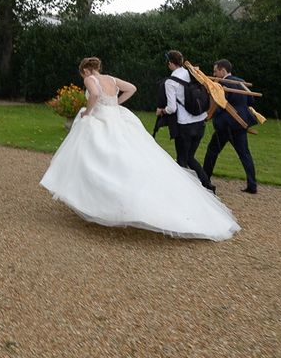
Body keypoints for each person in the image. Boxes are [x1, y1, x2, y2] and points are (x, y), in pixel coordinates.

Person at [40, 57, 240, 241]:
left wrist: (88, 112)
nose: (83, 75)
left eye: (83, 72)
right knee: (129, 156)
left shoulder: (90, 79)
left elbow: (93, 94)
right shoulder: (111, 78)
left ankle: (96, 198)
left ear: (86, 69)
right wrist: (115, 103)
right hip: (116, 116)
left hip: (101, 118)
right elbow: (132, 88)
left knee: (92, 157)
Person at [156, 50, 214, 192]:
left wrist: (162, 110)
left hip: (185, 125)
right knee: (190, 157)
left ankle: (185, 191)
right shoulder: (192, 73)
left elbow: (172, 108)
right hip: (200, 121)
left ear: (170, 63)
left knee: (182, 159)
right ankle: (206, 184)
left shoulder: (170, 82)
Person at [203, 59, 258, 194]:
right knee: (245, 154)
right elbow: (250, 100)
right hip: (239, 124)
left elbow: (219, 103)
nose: (214, 74)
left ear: (223, 70)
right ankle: (252, 185)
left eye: (216, 71)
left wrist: (209, 115)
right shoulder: (240, 81)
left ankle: (204, 180)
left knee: (212, 152)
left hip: (225, 125)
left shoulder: (221, 84)